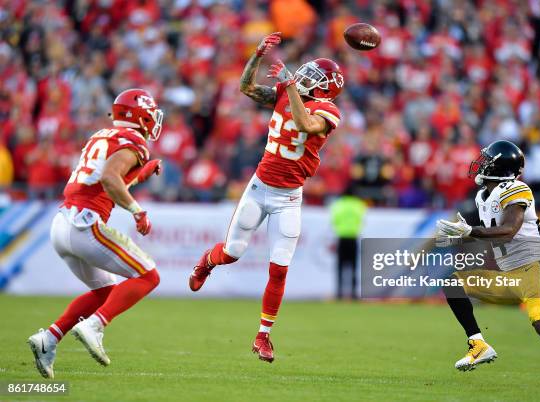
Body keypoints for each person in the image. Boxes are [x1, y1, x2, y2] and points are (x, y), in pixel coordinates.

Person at [189, 33, 343, 363]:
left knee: (279, 268)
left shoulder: (328, 111)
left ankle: (263, 336)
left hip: (288, 197)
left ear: (325, 88)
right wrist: (257, 55)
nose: (303, 78)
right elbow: (246, 87)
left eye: (312, 78)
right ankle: (207, 261)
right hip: (259, 187)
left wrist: (288, 86)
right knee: (232, 252)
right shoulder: (286, 94)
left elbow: (304, 123)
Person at [436, 140, 540, 390]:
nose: (481, 164)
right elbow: (491, 231)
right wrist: (461, 235)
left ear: (499, 167)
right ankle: (478, 344)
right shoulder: (482, 196)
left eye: (487, 160)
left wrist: (470, 230)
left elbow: (510, 230)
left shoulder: (516, 189)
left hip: (531, 269)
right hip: (508, 274)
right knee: (453, 283)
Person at [27, 89, 164, 379]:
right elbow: (110, 178)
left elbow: (110, 181)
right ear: (140, 115)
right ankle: (95, 325)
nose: (154, 120)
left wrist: (141, 174)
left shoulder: (103, 135)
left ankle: (48, 339)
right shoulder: (134, 141)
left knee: (105, 292)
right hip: (85, 224)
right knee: (148, 276)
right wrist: (138, 211)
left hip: (63, 222)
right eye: (150, 114)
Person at [330, 187, 367, 299]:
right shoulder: (359, 204)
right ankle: (353, 293)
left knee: (340, 267)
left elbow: (334, 220)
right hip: (353, 237)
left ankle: (339, 292)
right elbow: (361, 219)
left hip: (342, 237)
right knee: (353, 266)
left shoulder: (338, 204)